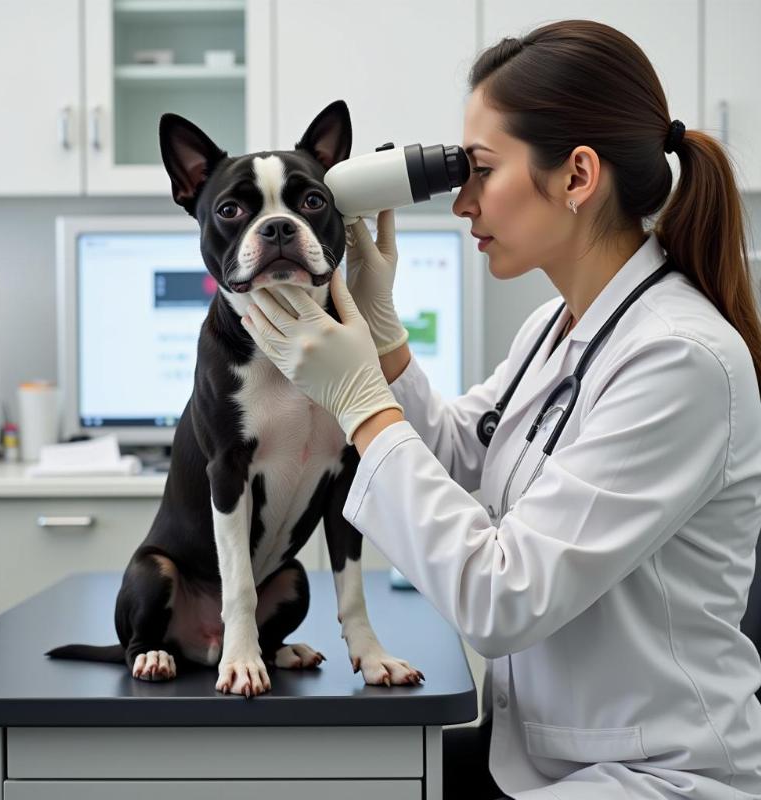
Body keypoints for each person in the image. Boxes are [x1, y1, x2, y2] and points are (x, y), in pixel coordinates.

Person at [240, 19, 761, 800]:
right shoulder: (560, 327)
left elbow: (500, 599)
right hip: (542, 757)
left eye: (481, 170)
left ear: (578, 176)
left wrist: (362, 408)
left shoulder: (679, 359)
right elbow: (460, 455)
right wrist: (385, 345)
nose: (461, 203)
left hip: (649, 778)